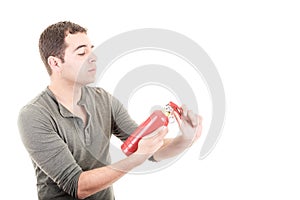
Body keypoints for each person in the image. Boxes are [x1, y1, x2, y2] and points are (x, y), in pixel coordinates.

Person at [18, 21, 202, 200]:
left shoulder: (103, 99)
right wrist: (135, 159)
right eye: (82, 52)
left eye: (92, 49)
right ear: (56, 63)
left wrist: (186, 138)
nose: (93, 57)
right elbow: (77, 186)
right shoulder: (34, 115)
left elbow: (148, 150)